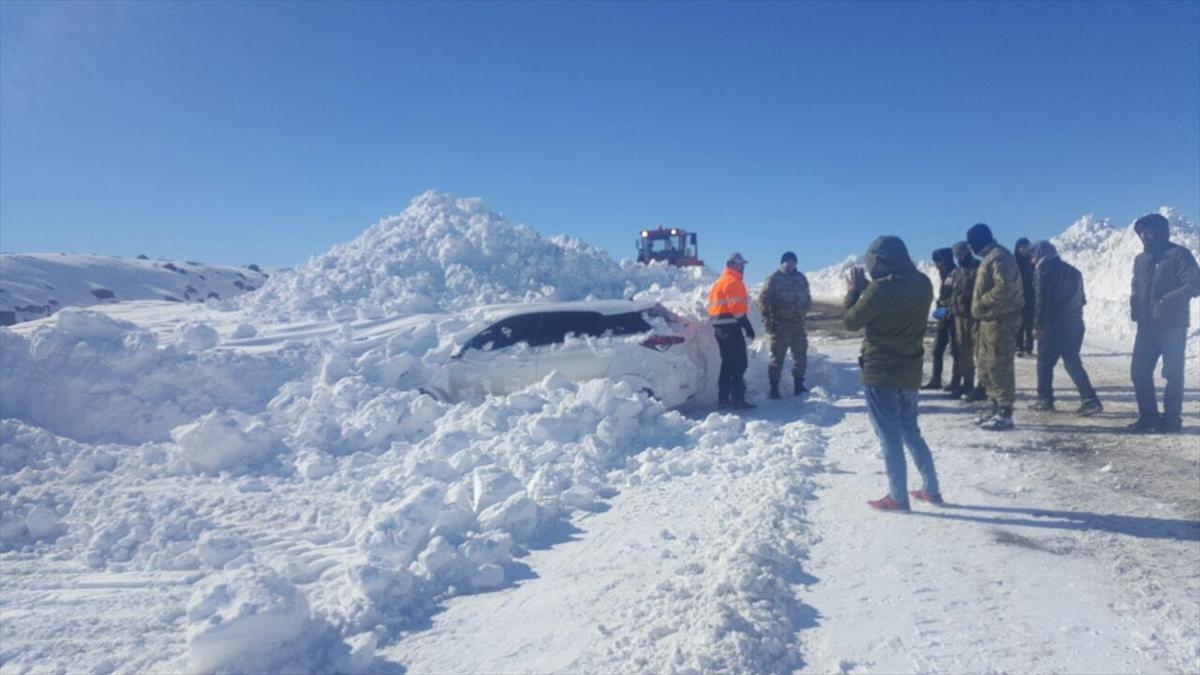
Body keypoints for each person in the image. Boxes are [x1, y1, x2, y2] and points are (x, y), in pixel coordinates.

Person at [843, 236, 941, 511]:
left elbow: (851, 322)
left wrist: (854, 293)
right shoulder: (923, 283)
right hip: (910, 371)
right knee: (911, 431)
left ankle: (898, 496)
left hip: (881, 372)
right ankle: (931, 488)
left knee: (889, 437)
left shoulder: (881, 289)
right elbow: (899, 305)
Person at [1129, 213, 1200, 433]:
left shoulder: (1178, 255)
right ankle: (1148, 416)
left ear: (1160, 232)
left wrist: (1165, 301)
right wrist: (1134, 306)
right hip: (1146, 326)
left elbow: (1194, 285)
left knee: (1172, 374)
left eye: (1148, 232)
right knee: (1139, 372)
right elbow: (1136, 286)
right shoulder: (1140, 260)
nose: (1144, 236)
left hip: (1172, 325)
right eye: (1141, 232)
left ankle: (1171, 420)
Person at [1027, 241, 1102, 415]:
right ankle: (1090, 399)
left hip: (1053, 325)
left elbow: (1041, 299)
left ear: (1039, 253)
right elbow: (1082, 299)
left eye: (1032, 255)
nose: (1031, 260)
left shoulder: (1043, 269)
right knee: (1072, 362)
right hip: (1075, 324)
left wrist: (1038, 324)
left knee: (1044, 363)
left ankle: (1045, 399)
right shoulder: (1074, 271)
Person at [967, 223, 1025, 430]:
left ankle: (1005, 412)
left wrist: (983, 301)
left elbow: (1005, 286)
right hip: (989, 320)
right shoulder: (989, 258)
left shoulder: (1000, 257)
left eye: (972, 243)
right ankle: (994, 407)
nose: (970, 248)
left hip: (1001, 319)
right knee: (986, 364)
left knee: (999, 364)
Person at [757, 251, 812, 399]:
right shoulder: (774, 278)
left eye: (792, 261)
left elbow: (807, 298)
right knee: (777, 357)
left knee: (801, 355)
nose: (789, 264)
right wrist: (768, 319)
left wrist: (804, 311)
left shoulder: (801, 278)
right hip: (780, 324)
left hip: (798, 324)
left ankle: (799, 384)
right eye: (787, 261)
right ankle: (774, 387)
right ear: (782, 263)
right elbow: (763, 300)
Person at [708, 252, 757, 410]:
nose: (743, 267)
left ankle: (723, 399)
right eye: (741, 264)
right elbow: (736, 308)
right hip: (731, 328)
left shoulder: (719, 282)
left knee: (727, 364)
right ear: (733, 265)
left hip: (720, 328)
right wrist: (747, 326)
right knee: (739, 363)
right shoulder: (734, 281)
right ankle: (737, 399)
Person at [948, 241, 983, 401]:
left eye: (961, 254)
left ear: (967, 251)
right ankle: (967, 383)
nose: (959, 258)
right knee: (963, 352)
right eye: (956, 255)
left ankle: (983, 386)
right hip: (959, 317)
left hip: (975, 317)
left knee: (980, 352)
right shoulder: (956, 272)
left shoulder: (979, 268)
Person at [923, 248, 957, 391]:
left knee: (956, 351)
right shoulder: (944, 275)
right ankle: (935, 379)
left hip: (954, 318)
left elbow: (957, 296)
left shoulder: (956, 274)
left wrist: (947, 306)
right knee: (937, 349)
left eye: (939, 261)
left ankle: (956, 381)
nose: (937, 264)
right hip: (944, 317)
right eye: (935, 261)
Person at [1014, 237, 1036, 356]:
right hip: (1017, 296)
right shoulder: (1013, 262)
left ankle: (1029, 347)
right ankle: (1019, 346)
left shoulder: (1032, 261)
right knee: (1018, 323)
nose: (1023, 249)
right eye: (1020, 247)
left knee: (1029, 324)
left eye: (1025, 247)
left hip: (1030, 296)